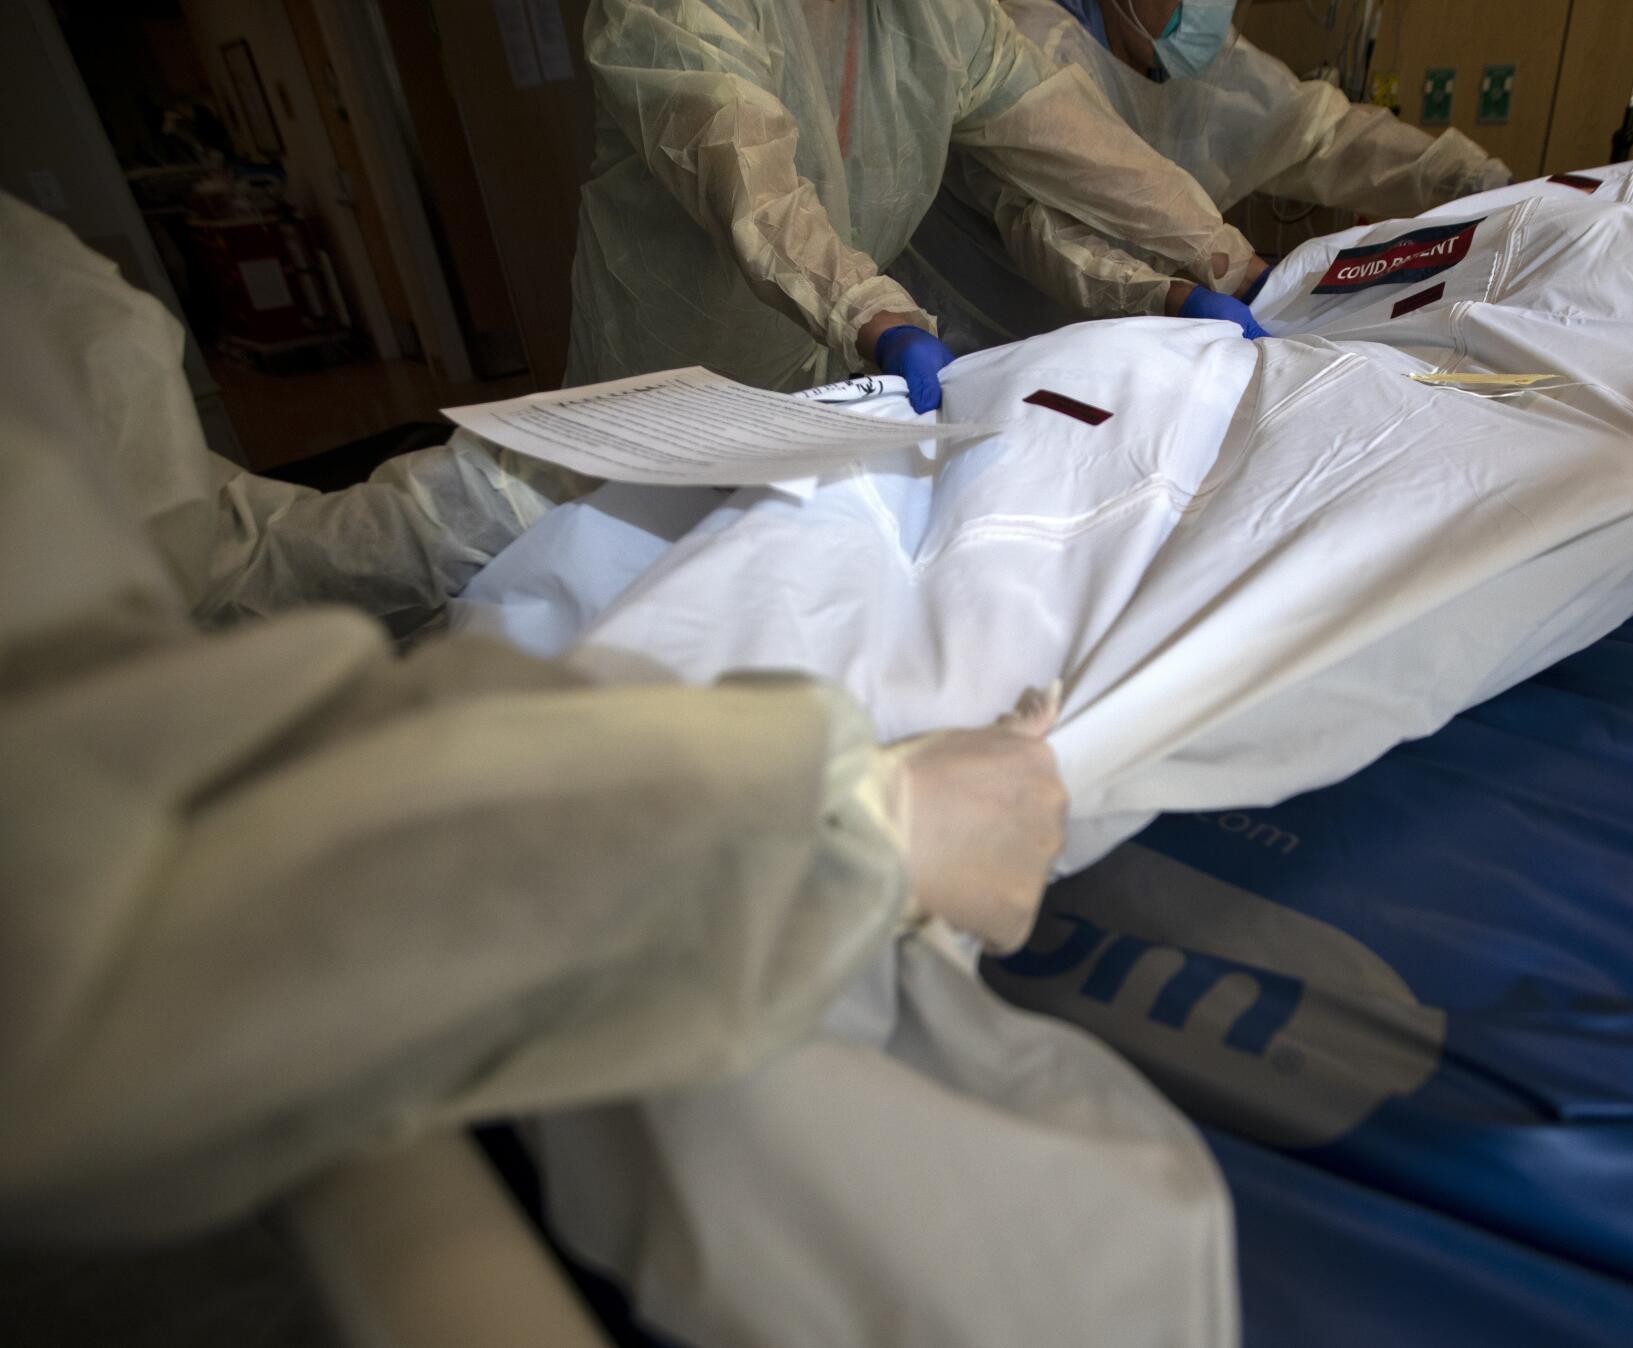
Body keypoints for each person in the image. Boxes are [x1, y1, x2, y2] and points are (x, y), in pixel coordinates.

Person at [0, 194, 1068, 1243]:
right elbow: (89, 948)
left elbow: (193, 558)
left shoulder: (38, 276)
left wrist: (456, 504)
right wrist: (838, 823)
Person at [565, 0, 1272, 412]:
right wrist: (871, 314)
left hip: (822, 388)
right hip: (662, 396)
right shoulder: (677, 9)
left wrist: (1218, 256)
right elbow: (746, 178)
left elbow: (1064, 134)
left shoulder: (936, 16)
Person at [894, 0, 1512, 350]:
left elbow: (1321, 133)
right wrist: (1189, 281)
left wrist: (1466, 181)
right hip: (983, 343)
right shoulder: (1032, 47)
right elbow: (1041, 226)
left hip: (1148, 352)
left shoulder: (1205, 67)